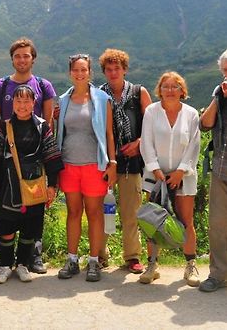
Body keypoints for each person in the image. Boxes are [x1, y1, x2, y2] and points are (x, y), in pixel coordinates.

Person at [0, 37, 56, 274]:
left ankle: (29, 261)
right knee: (7, 215)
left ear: (33, 58)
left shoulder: (43, 85)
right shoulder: (1, 85)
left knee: (33, 216)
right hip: (7, 160)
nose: (22, 59)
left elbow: (48, 121)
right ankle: (5, 262)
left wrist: (49, 173)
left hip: (34, 161)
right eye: (17, 56)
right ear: (12, 59)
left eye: (26, 55)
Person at [0, 85, 63, 284]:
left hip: (35, 183)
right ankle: (4, 265)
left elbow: (51, 156)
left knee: (30, 226)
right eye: (18, 101)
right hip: (7, 184)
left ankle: (22, 265)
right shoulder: (5, 126)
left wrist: (52, 185)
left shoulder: (42, 127)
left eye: (26, 101)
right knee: (6, 226)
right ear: (13, 104)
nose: (22, 105)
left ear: (33, 103)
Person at [56, 53, 117, 282]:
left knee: (94, 213)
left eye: (84, 70)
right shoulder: (63, 100)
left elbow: (110, 134)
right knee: (73, 213)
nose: (80, 74)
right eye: (76, 70)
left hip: (95, 165)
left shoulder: (102, 99)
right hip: (68, 165)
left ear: (90, 72)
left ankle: (93, 261)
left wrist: (112, 162)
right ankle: (72, 259)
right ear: (70, 73)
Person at [139, 71, 200, 285]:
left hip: (184, 176)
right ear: (160, 90)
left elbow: (194, 145)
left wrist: (180, 171)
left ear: (182, 91)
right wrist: (156, 171)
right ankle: (152, 264)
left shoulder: (191, 114)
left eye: (175, 87)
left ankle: (190, 266)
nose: (170, 90)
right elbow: (146, 143)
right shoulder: (151, 112)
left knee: (186, 221)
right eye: (166, 86)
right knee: (152, 221)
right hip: (156, 177)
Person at [98, 49, 152, 273]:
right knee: (102, 211)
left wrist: (139, 143)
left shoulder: (139, 93)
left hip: (132, 164)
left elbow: (152, 125)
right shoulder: (98, 95)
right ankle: (99, 255)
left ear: (125, 69)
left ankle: (132, 256)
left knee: (131, 212)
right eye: (108, 69)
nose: (112, 73)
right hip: (104, 162)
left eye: (116, 69)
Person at [199, 50, 227, 292]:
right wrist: (218, 99)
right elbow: (205, 124)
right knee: (217, 224)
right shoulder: (220, 93)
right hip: (221, 168)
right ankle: (217, 274)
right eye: (225, 71)